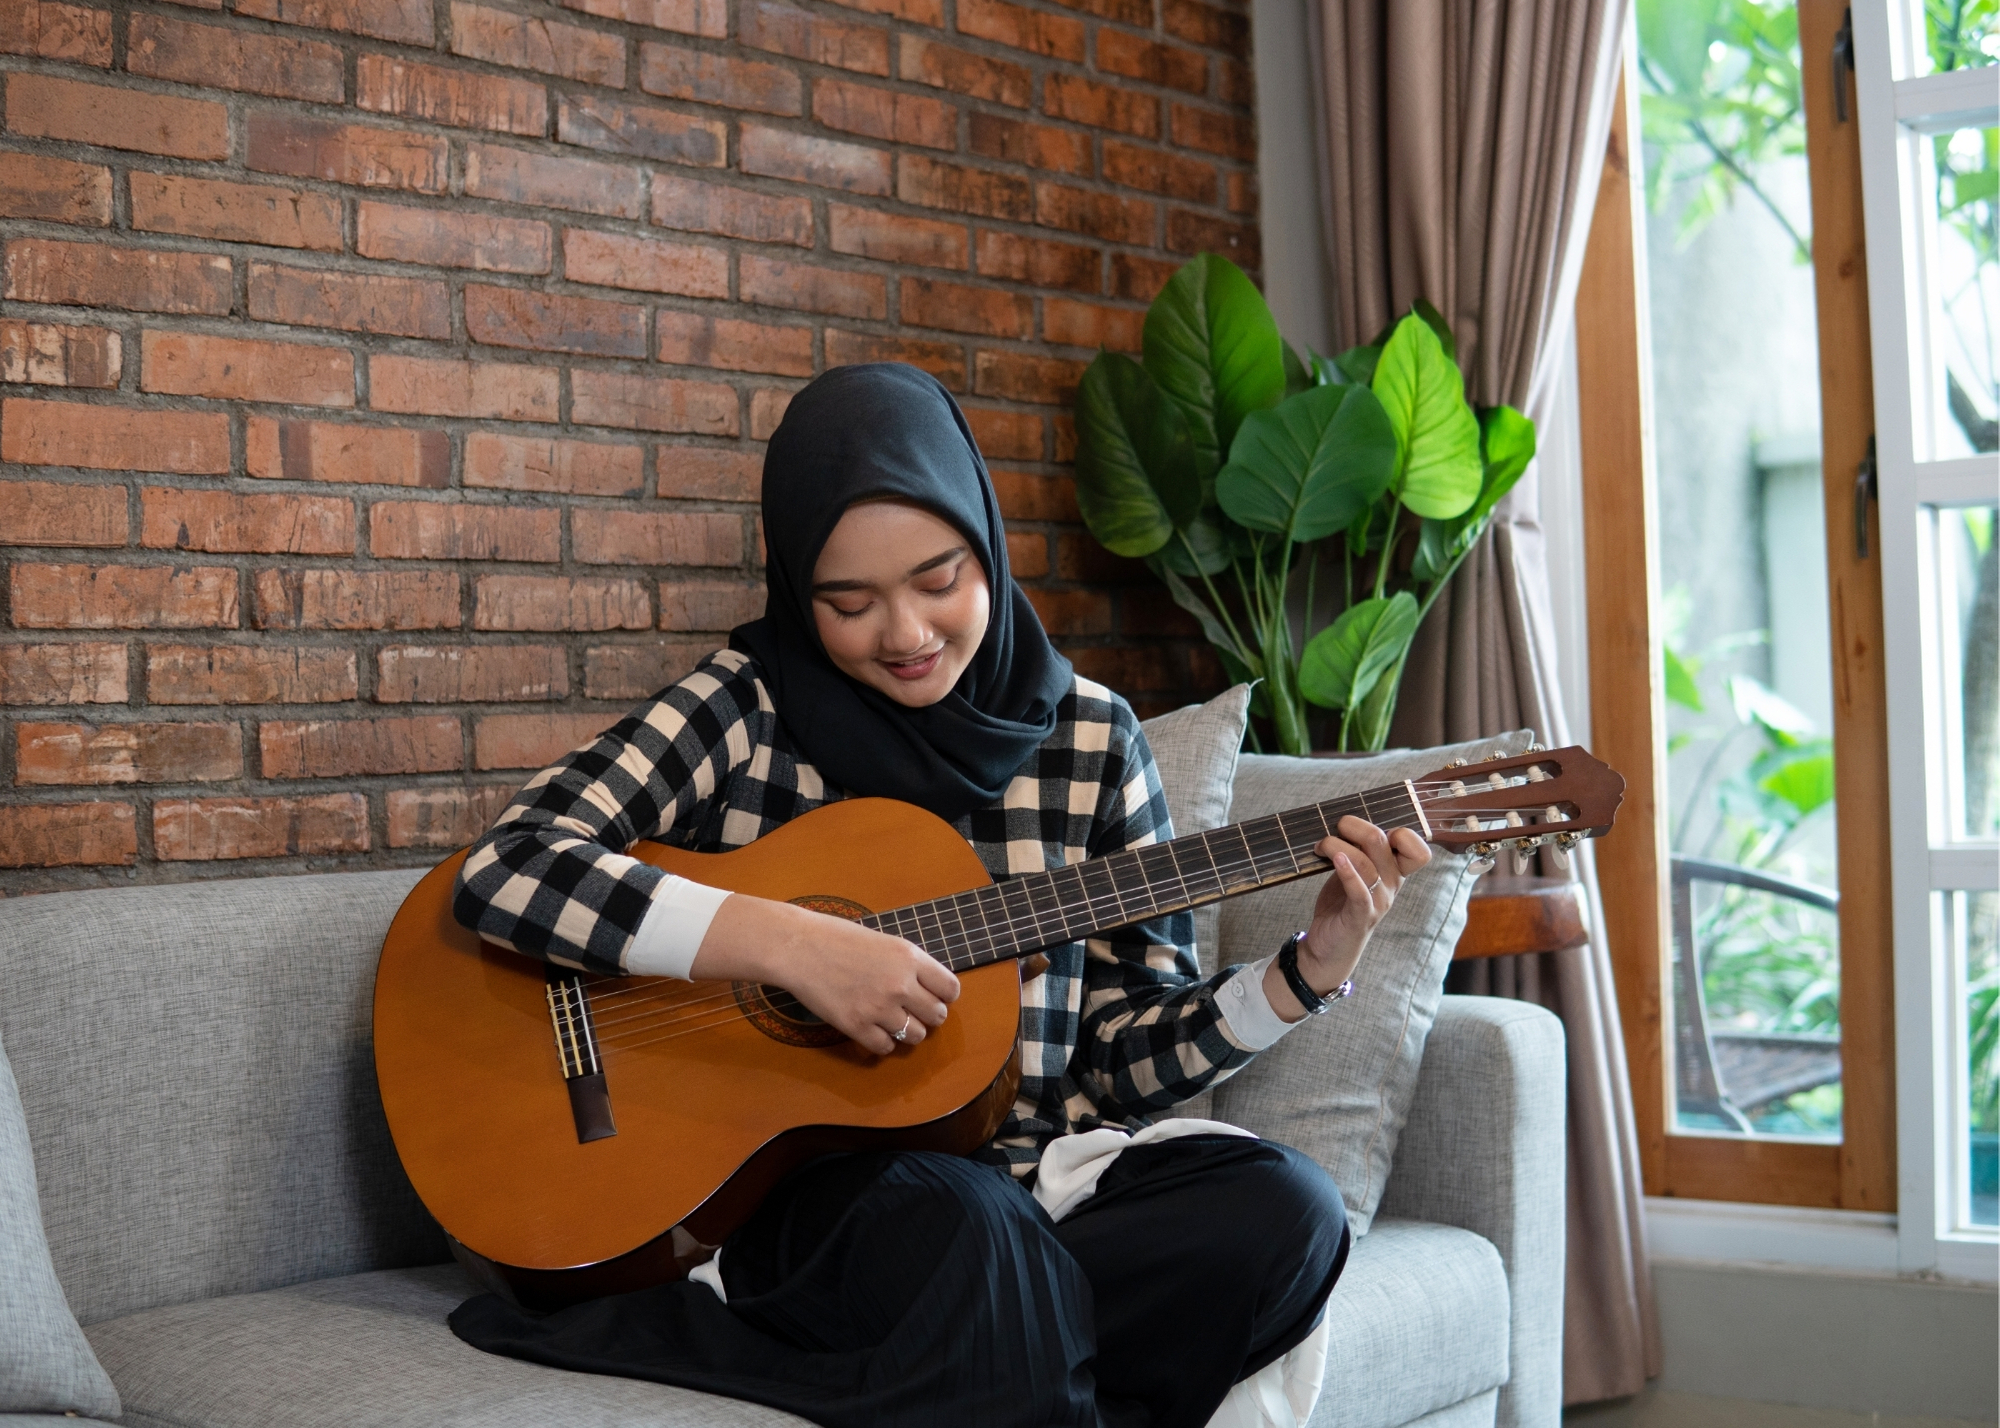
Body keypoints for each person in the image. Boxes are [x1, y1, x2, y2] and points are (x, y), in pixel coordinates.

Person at [447, 363, 1432, 1428]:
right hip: (809, 1207)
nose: (906, 634)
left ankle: (996, 1357)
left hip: (1028, 1188)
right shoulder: (744, 709)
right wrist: (789, 947)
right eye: (848, 603)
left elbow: (1118, 1062)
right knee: (979, 1242)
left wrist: (1302, 975)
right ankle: (1001, 1347)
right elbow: (509, 866)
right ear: (796, 587)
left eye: (939, 580)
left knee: (1286, 1213)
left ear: (985, 547)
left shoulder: (1095, 740)